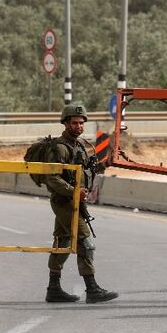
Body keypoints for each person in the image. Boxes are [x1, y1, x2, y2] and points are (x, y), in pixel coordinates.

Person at [43, 103, 119, 304]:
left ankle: (53, 288)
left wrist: (106, 164)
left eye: (81, 123)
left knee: (63, 242)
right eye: (74, 123)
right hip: (64, 201)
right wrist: (75, 192)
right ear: (65, 123)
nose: (79, 126)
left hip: (74, 201)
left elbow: (87, 171)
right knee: (85, 242)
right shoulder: (60, 147)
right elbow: (53, 178)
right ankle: (92, 289)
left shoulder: (80, 146)